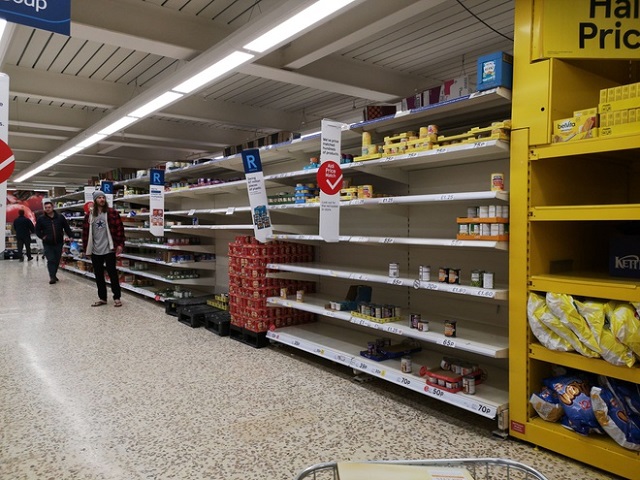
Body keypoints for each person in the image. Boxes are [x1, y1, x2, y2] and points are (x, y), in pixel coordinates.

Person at [82, 190, 126, 307]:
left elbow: (120, 229)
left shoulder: (112, 213)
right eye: (99, 198)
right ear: (95, 200)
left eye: (103, 197)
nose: (102, 199)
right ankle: (102, 298)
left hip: (109, 248)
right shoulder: (89, 215)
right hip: (95, 249)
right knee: (99, 275)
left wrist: (120, 244)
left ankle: (117, 297)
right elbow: (85, 233)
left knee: (113, 274)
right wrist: (86, 249)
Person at [35, 200, 73, 284]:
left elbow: (66, 227)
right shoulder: (41, 219)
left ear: (52, 207)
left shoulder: (60, 217)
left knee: (57, 260)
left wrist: (71, 235)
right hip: (48, 243)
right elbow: (37, 230)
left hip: (59, 242)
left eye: (49, 207)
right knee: (51, 259)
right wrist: (43, 237)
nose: (47, 209)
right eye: (46, 208)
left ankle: (54, 274)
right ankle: (52, 277)